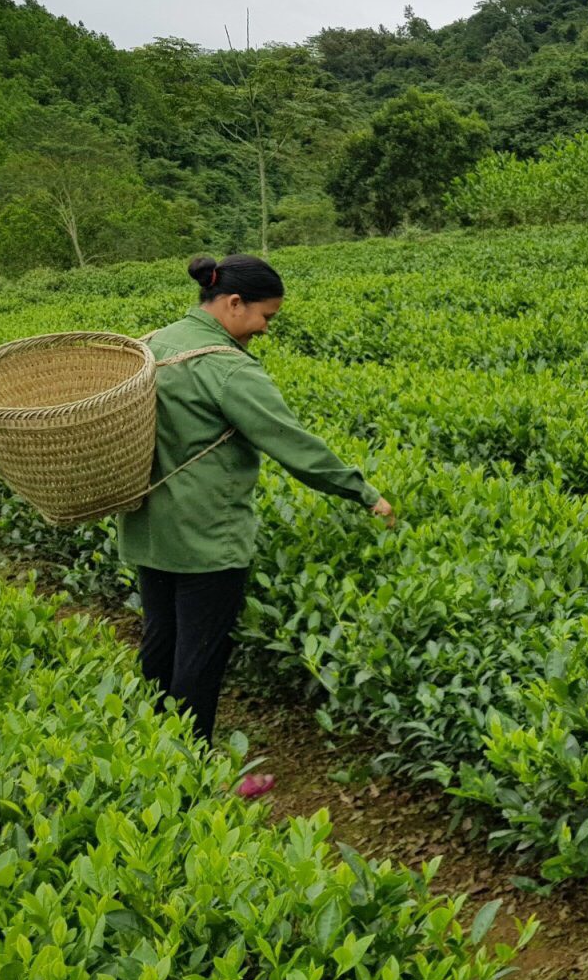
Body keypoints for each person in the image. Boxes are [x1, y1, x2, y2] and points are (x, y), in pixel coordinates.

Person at [120, 254, 393, 797]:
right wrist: (365, 494)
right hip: (206, 535)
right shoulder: (228, 369)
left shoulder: (153, 344)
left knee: (160, 644)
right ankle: (191, 781)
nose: (266, 329)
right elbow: (292, 443)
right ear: (233, 303)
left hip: (147, 527)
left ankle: (143, 761)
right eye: (265, 316)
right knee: (199, 658)